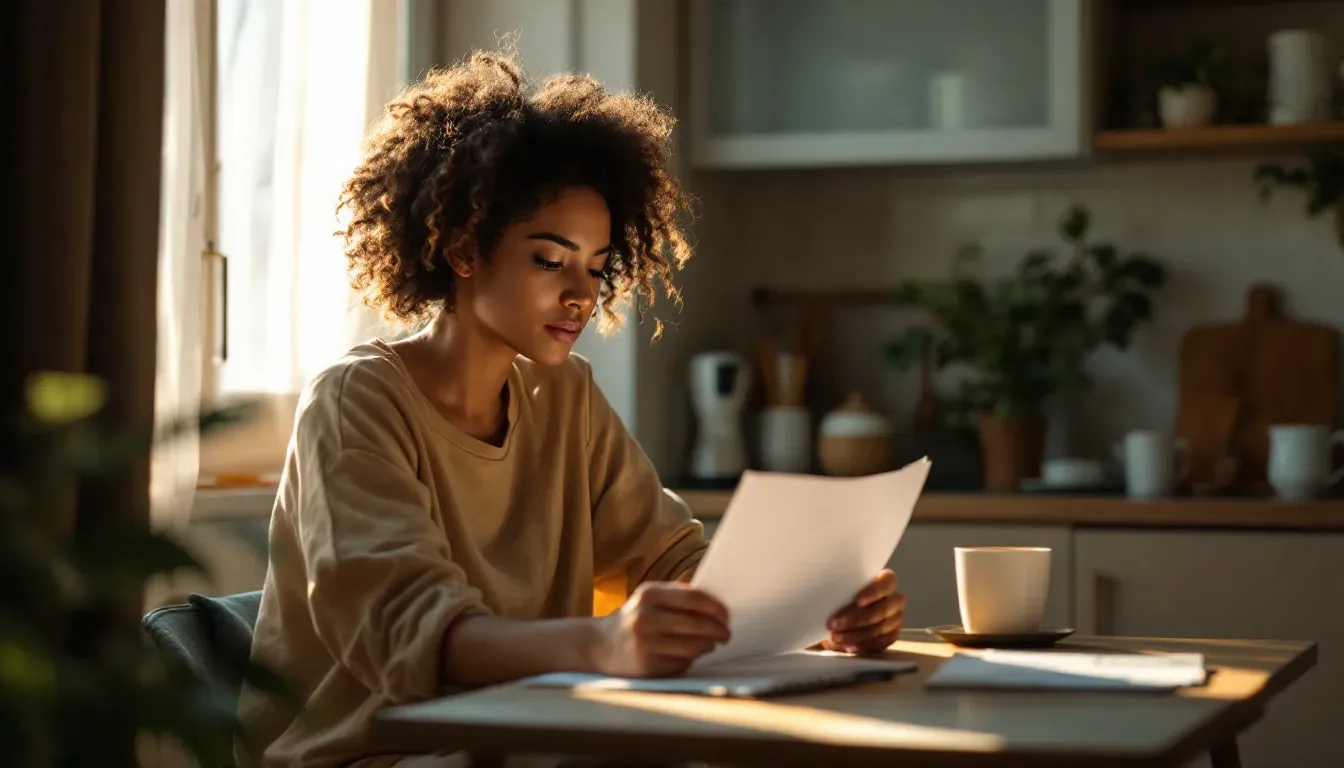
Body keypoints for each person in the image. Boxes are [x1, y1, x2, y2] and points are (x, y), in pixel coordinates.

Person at [236, 50, 907, 768]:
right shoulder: (356, 400)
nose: (581, 295)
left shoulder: (565, 394)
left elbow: (672, 562)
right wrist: (604, 641)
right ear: (464, 249)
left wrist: (815, 614)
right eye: (550, 260)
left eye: (595, 266)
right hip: (376, 756)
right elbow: (416, 636)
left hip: (530, 738)